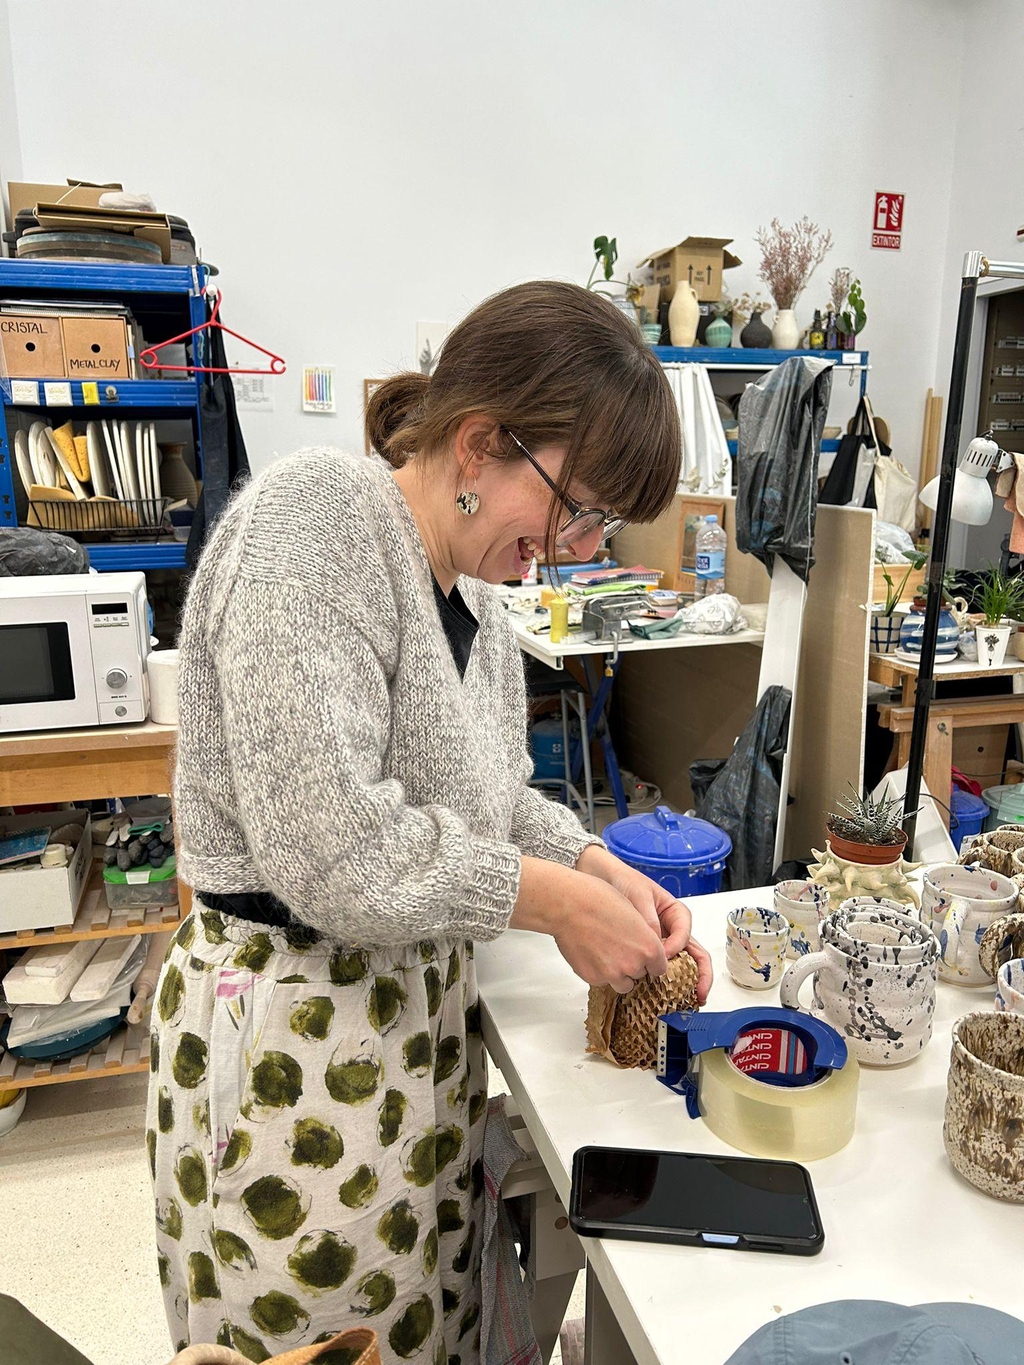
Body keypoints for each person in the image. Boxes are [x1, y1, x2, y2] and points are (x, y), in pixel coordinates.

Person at [147, 279, 712, 1365]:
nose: (582, 543)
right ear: (479, 443)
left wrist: (594, 863)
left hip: (410, 1045)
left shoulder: (474, 604)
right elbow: (335, 852)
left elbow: (490, 802)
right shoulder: (314, 526)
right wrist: (551, 904)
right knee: (317, 1340)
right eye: (577, 505)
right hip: (286, 1055)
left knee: (420, 1333)